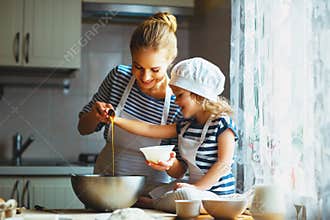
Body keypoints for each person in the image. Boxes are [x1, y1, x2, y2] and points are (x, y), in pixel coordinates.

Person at [77, 12, 183, 199]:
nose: (145, 77)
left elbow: (179, 171)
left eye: (155, 70)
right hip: (106, 188)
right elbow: (83, 128)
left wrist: (169, 164)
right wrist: (95, 115)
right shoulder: (119, 77)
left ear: (171, 60)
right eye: (138, 67)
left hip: (151, 194)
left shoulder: (178, 100)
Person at [113, 57, 239, 213]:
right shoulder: (185, 126)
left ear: (198, 94)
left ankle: (158, 204)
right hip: (193, 190)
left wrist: (197, 188)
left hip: (217, 196)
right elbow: (150, 129)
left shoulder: (222, 124)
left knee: (185, 195)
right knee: (150, 189)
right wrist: (114, 119)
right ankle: (179, 203)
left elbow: (223, 165)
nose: (176, 101)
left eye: (179, 95)